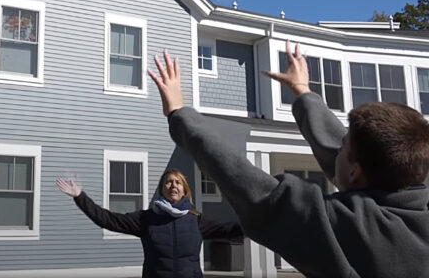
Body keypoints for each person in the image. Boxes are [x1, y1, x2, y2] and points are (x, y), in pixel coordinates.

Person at [148, 44, 429, 278]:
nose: (336, 148)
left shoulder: (352, 227)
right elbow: (347, 159)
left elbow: (263, 194)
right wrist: (303, 93)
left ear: (356, 170)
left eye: (343, 146)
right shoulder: (410, 199)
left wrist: (179, 115)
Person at [56, 169, 243, 278]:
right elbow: (108, 219)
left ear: (184, 190)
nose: (173, 186)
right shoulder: (147, 219)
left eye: (178, 182)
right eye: (168, 182)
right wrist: (80, 197)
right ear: (162, 189)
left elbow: (231, 230)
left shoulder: (196, 220)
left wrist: (261, 222)